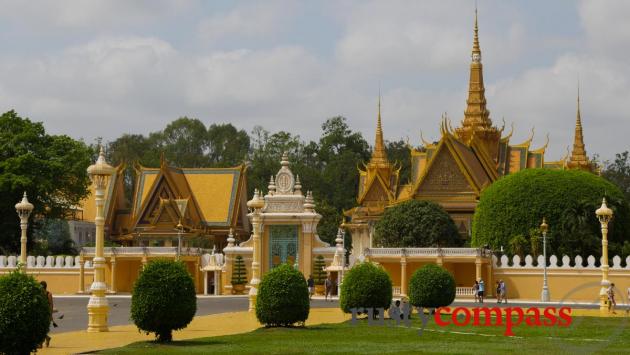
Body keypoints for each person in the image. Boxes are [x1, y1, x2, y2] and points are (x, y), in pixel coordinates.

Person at [40, 281, 53, 348]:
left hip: (46, 314)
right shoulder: (39, 294)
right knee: (40, 328)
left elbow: (51, 305)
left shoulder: (48, 294)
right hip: (41, 313)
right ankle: (46, 338)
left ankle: (40, 343)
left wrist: (51, 315)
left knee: (42, 328)